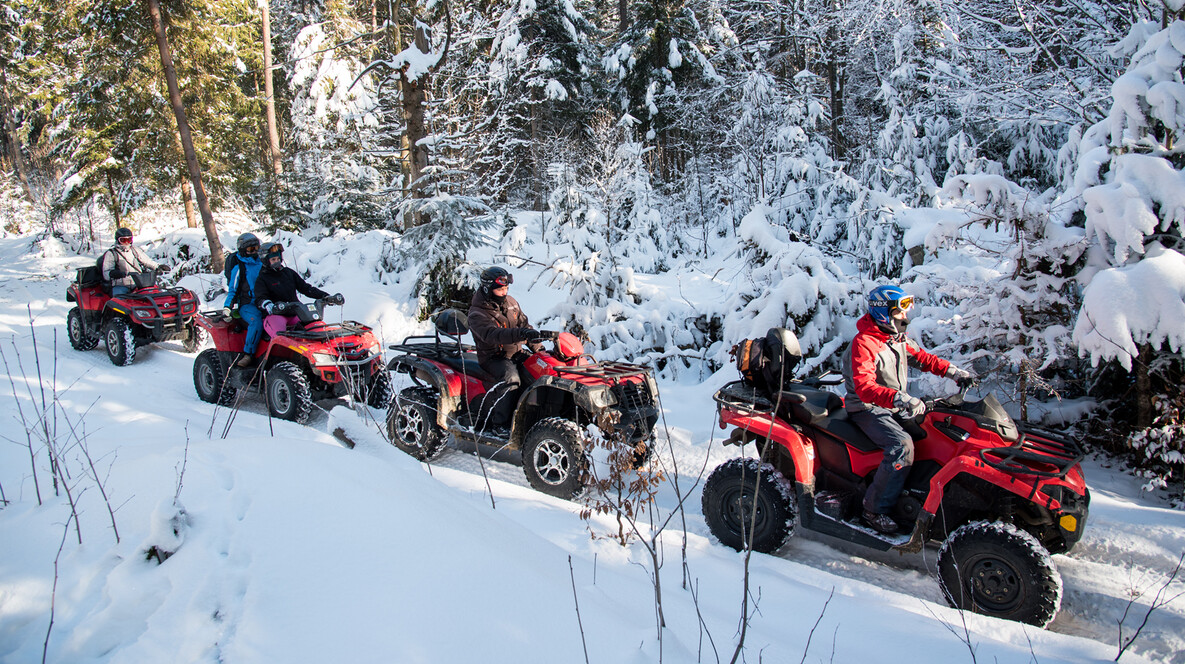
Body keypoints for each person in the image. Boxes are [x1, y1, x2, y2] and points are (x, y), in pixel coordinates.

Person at [843, 285, 972, 534]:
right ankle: (874, 509)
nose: (906, 316)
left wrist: (953, 372)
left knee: (935, 432)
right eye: (901, 311)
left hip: (893, 406)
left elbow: (924, 359)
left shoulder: (896, 339)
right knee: (901, 446)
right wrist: (900, 399)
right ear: (885, 313)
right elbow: (865, 388)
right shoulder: (865, 343)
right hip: (867, 409)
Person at [468, 266, 547, 430]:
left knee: (543, 370)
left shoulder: (511, 303)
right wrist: (520, 333)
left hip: (516, 353)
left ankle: (535, 416)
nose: (504, 292)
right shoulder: (477, 313)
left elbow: (525, 326)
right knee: (512, 380)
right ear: (487, 289)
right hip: (494, 357)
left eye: (506, 288)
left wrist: (541, 351)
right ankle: (500, 424)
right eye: (500, 289)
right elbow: (492, 335)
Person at [253, 242, 343, 340]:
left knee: (316, 329)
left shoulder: (288, 273)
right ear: (266, 261)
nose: (277, 262)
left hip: (295, 312)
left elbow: (306, 289)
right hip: (276, 315)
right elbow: (260, 298)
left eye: (278, 259)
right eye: (273, 259)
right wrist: (267, 304)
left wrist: (326, 297)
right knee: (282, 338)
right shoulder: (262, 278)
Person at [221, 233, 265, 367]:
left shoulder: (263, 263)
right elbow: (233, 290)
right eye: (251, 250)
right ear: (243, 251)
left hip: (264, 301)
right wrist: (227, 307)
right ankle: (249, 354)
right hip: (247, 304)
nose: (255, 252)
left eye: (257, 248)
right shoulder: (239, 267)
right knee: (256, 321)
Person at [101, 227, 160, 296]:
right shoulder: (112, 253)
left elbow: (147, 261)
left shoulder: (134, 250)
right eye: (123, 240)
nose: (126, 242)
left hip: (138, 283)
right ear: (117, 240)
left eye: (128, 240)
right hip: (121, 285)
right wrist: (114, 274)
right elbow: (106, 273)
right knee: (120, 301)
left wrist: (158, 267)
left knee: (153, 295)